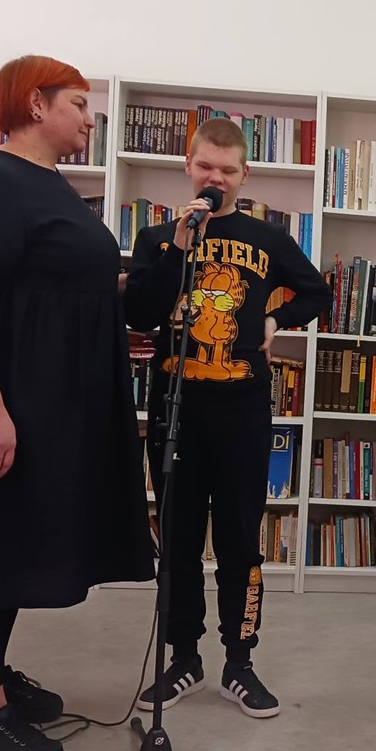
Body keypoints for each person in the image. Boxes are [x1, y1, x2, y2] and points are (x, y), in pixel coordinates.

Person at [0, 56, 155, 751]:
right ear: (35, 104)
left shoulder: (46, 183)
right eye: (79, 104)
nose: (91, 119)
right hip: (8, 401)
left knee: (17, 538)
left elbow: (51, 282)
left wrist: (113, 313)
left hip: (49, 401)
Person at [124, 116, 331, 719]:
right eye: (206, 167)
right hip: (176, 410)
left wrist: (276, 319)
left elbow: (317, 292)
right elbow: (140, 311)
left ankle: (239, 662)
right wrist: (178, 249)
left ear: (245, 176)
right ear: (188, 167)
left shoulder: (267, 239)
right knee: (179, 541)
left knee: (240, 540)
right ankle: (183, 658)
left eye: (228, 170)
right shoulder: (158, 237)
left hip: (241, 411)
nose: (215, 179)